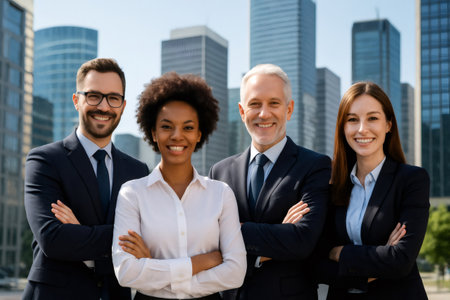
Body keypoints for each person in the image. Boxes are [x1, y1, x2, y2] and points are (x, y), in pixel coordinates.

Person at [112, 72, 247, 300]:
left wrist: (154, 268)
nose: (177, 136)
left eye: (187, 128)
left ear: (198, 135)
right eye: (166, 127)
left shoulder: (221, 194)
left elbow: (235, 273)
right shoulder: (132, 193)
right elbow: (126, 272)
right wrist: (201, 262)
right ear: (153, 133)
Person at [23, 58, 149, 300]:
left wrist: (81, 232)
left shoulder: (138, 171)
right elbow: (53, 239)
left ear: (122, 106)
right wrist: (121, 240)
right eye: (93, 96)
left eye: (113, 98)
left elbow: (148, 238)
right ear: (76, 100)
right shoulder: (44, 160)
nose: (103, 106)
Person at [209, 64, 331, 299]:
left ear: (289, 109)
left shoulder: (315, 166)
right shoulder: (219, 171)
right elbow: (207, 241)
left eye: (274, 103)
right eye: (255, 104)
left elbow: (302, 241)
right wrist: (279, 233)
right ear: (242, 111)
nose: (264, 113)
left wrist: (233, 231)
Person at [316, 82, 430, 299]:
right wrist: (381, 258)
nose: (362, 129)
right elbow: (317, 265)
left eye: (372, 118)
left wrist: (339, 252)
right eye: (352, 120)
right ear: (342, 127)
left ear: (388, 125)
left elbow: (400, 261)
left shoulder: (412, 180)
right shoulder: (332, 184)